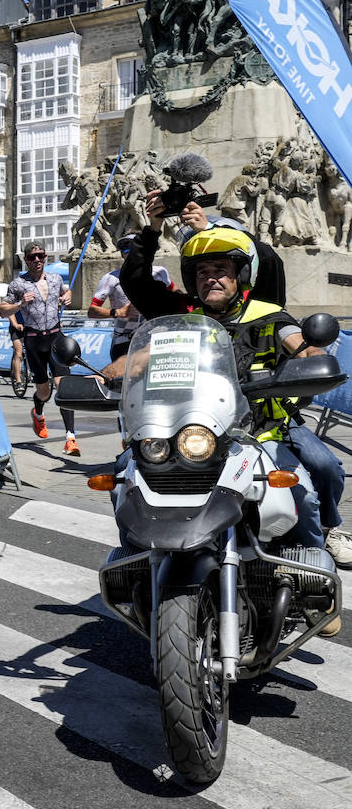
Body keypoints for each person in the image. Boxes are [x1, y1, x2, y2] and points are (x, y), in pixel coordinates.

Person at [121, 192, 344, 572]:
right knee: (125, 472)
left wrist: (311, 358)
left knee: (321, 468)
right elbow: (136, 282)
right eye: (203, 272)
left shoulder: (267, 312)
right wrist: (152, 228)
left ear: (240, 275)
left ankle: (318, 557)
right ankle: (135, 563)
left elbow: (297, 338)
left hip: (265, 425)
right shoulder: (182, 315)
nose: (212, 279)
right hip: (196, 428)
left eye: (222, 270)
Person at [0, 242, 79, 456]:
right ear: (26, 259)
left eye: (40, 255)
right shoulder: (18, 283)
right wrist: (20, 304)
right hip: (34, 340)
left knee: (64, 387)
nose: (36, 260)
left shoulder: (55, 278)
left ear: (46, 256)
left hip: (55, 337)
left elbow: (67, 293)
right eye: (32, 257)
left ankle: (71, 437)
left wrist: (68, 297)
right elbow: (2, 310)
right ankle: (38, 413)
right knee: (44, 391)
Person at [88, 234, 173, 362]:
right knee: (121, 380)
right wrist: (118, 312)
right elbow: (91, 311)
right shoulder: (111, 278)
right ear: (122, 255)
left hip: (153, 339)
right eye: (126, 251)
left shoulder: (160, 273)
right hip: (124, 340)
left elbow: (177, 297)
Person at [8, 309, 27, 398]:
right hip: (15, 327)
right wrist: (15, 324)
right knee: (18, 352)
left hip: (30, 327)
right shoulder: (16, 297)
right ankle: (18, 381)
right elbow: (9, 311)